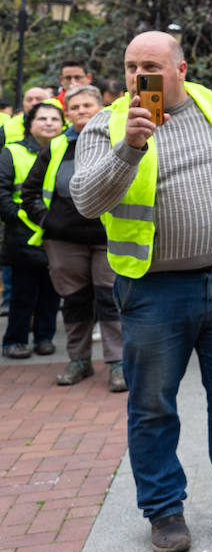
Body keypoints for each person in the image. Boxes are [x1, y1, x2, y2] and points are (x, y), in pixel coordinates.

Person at [71, 32, 212, 552]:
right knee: (152, 405)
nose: (137, 75)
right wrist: (132, 146)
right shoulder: (106, 125)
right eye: (130, 66)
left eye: (150, 64)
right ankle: (164, 511)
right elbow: (86, 201)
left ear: (180, 68)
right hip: (153, 289)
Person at [20, 85, 125, 390]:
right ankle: (78, 361)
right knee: (76, 302)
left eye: (87, 106)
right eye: (75, 107)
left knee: (110, 301)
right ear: (67, 113)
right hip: (64, 242)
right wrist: (48, 221)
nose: (81, 112)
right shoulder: (55, 148)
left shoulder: (117, 142)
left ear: (100, 109)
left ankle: (118, 363)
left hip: (108, 238)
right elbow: (29, 192)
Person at [0, 102, 65, 358]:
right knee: (22, 292)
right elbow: (2, 193)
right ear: (30, 124)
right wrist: (18, 217)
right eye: (42, 118)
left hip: (57, 232)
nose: (49, 123)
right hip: (23, 234)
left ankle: (44, 338)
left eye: (54, 119)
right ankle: (14, 340)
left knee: (52, 291)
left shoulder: (66, 150)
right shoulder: (11, 152)